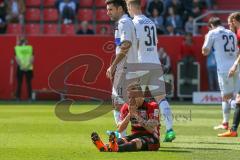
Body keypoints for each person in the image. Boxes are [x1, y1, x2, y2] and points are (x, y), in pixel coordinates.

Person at [126, 0, 176, 142]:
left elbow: (133, 46)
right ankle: (170, 130)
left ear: (130, 7)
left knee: (134, 100)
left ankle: (125, 133)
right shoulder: (151, 22)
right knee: (161, 99)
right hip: (155, 63)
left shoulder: (133, 23)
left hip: (141, 64)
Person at [91, 82, 160, 152]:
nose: (131, 100)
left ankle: (116, 148)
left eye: (134, 97)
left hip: (151, 137)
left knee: (136, 142)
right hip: (135, 135)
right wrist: (130, 114)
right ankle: (103, 146)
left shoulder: (152, 106)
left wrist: (136, 115)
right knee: (120, 140)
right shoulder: (126, 106)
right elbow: (120, 129)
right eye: (129, 97)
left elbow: (152, 129)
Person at [105, 0, 138, 138]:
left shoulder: (124, 22)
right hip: (128, 67)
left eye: (111, 9)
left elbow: (126, 45)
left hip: (125, 68)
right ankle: (123, 134)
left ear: (119, 9)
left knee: (118, 103)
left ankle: (122, 136)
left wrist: (113, 66)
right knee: (124, 103)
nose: (108, 13)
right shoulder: (125, 22)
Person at [202, 17, 239, 130]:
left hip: (224, 69)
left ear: (211, 26)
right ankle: (225, 123)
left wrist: (206, 40)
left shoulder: (212, 33)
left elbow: (204, 51)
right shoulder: (231, 33)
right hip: (236, 67)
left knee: (227, 98)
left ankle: (226, 122)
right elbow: (237, 51)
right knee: (235, 95)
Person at [218, 12, 240, 137]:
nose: (229, 24)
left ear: (235, 20)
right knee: (238, 100)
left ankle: (233, 129)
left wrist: (235, 64)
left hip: (237, 67)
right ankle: (233, 130)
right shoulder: (235, 34)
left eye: (230, 21)